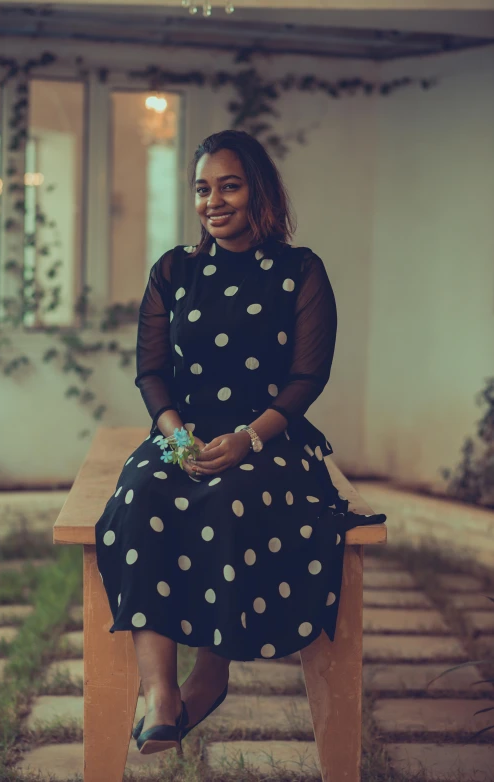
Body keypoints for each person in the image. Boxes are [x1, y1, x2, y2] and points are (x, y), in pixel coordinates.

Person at [95, 129, 387, 756]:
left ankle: (213, 670)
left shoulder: (300, 271)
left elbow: (308, 375)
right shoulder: (174, 270)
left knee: (230, 498)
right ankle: (160, 694)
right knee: (142, 496)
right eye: (203, 188)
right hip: (182, 435)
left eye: (229, 186)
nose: (214, 201)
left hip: (270, 437)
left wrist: (249, 438)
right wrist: (176, 440)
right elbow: (151, 371)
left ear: (259, 191)